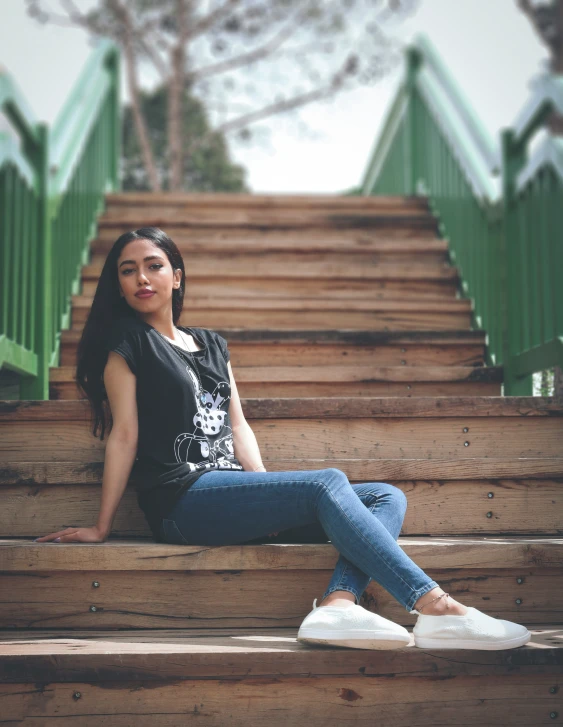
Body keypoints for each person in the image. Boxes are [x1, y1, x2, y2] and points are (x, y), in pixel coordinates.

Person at [34, 227, 531, 652]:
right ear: (118, 287)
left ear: (176, 276)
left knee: (385, 495)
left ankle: (338, 604)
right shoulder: (127, 350)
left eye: (153, 265)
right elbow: (124, 435)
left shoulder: (212, 345)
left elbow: (239, 425)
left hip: (229, 493)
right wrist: (101, 527)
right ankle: (437, 606)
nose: (142, 278)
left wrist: (269, 496)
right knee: (327, 482)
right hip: (180, 502)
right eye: (127, 270)